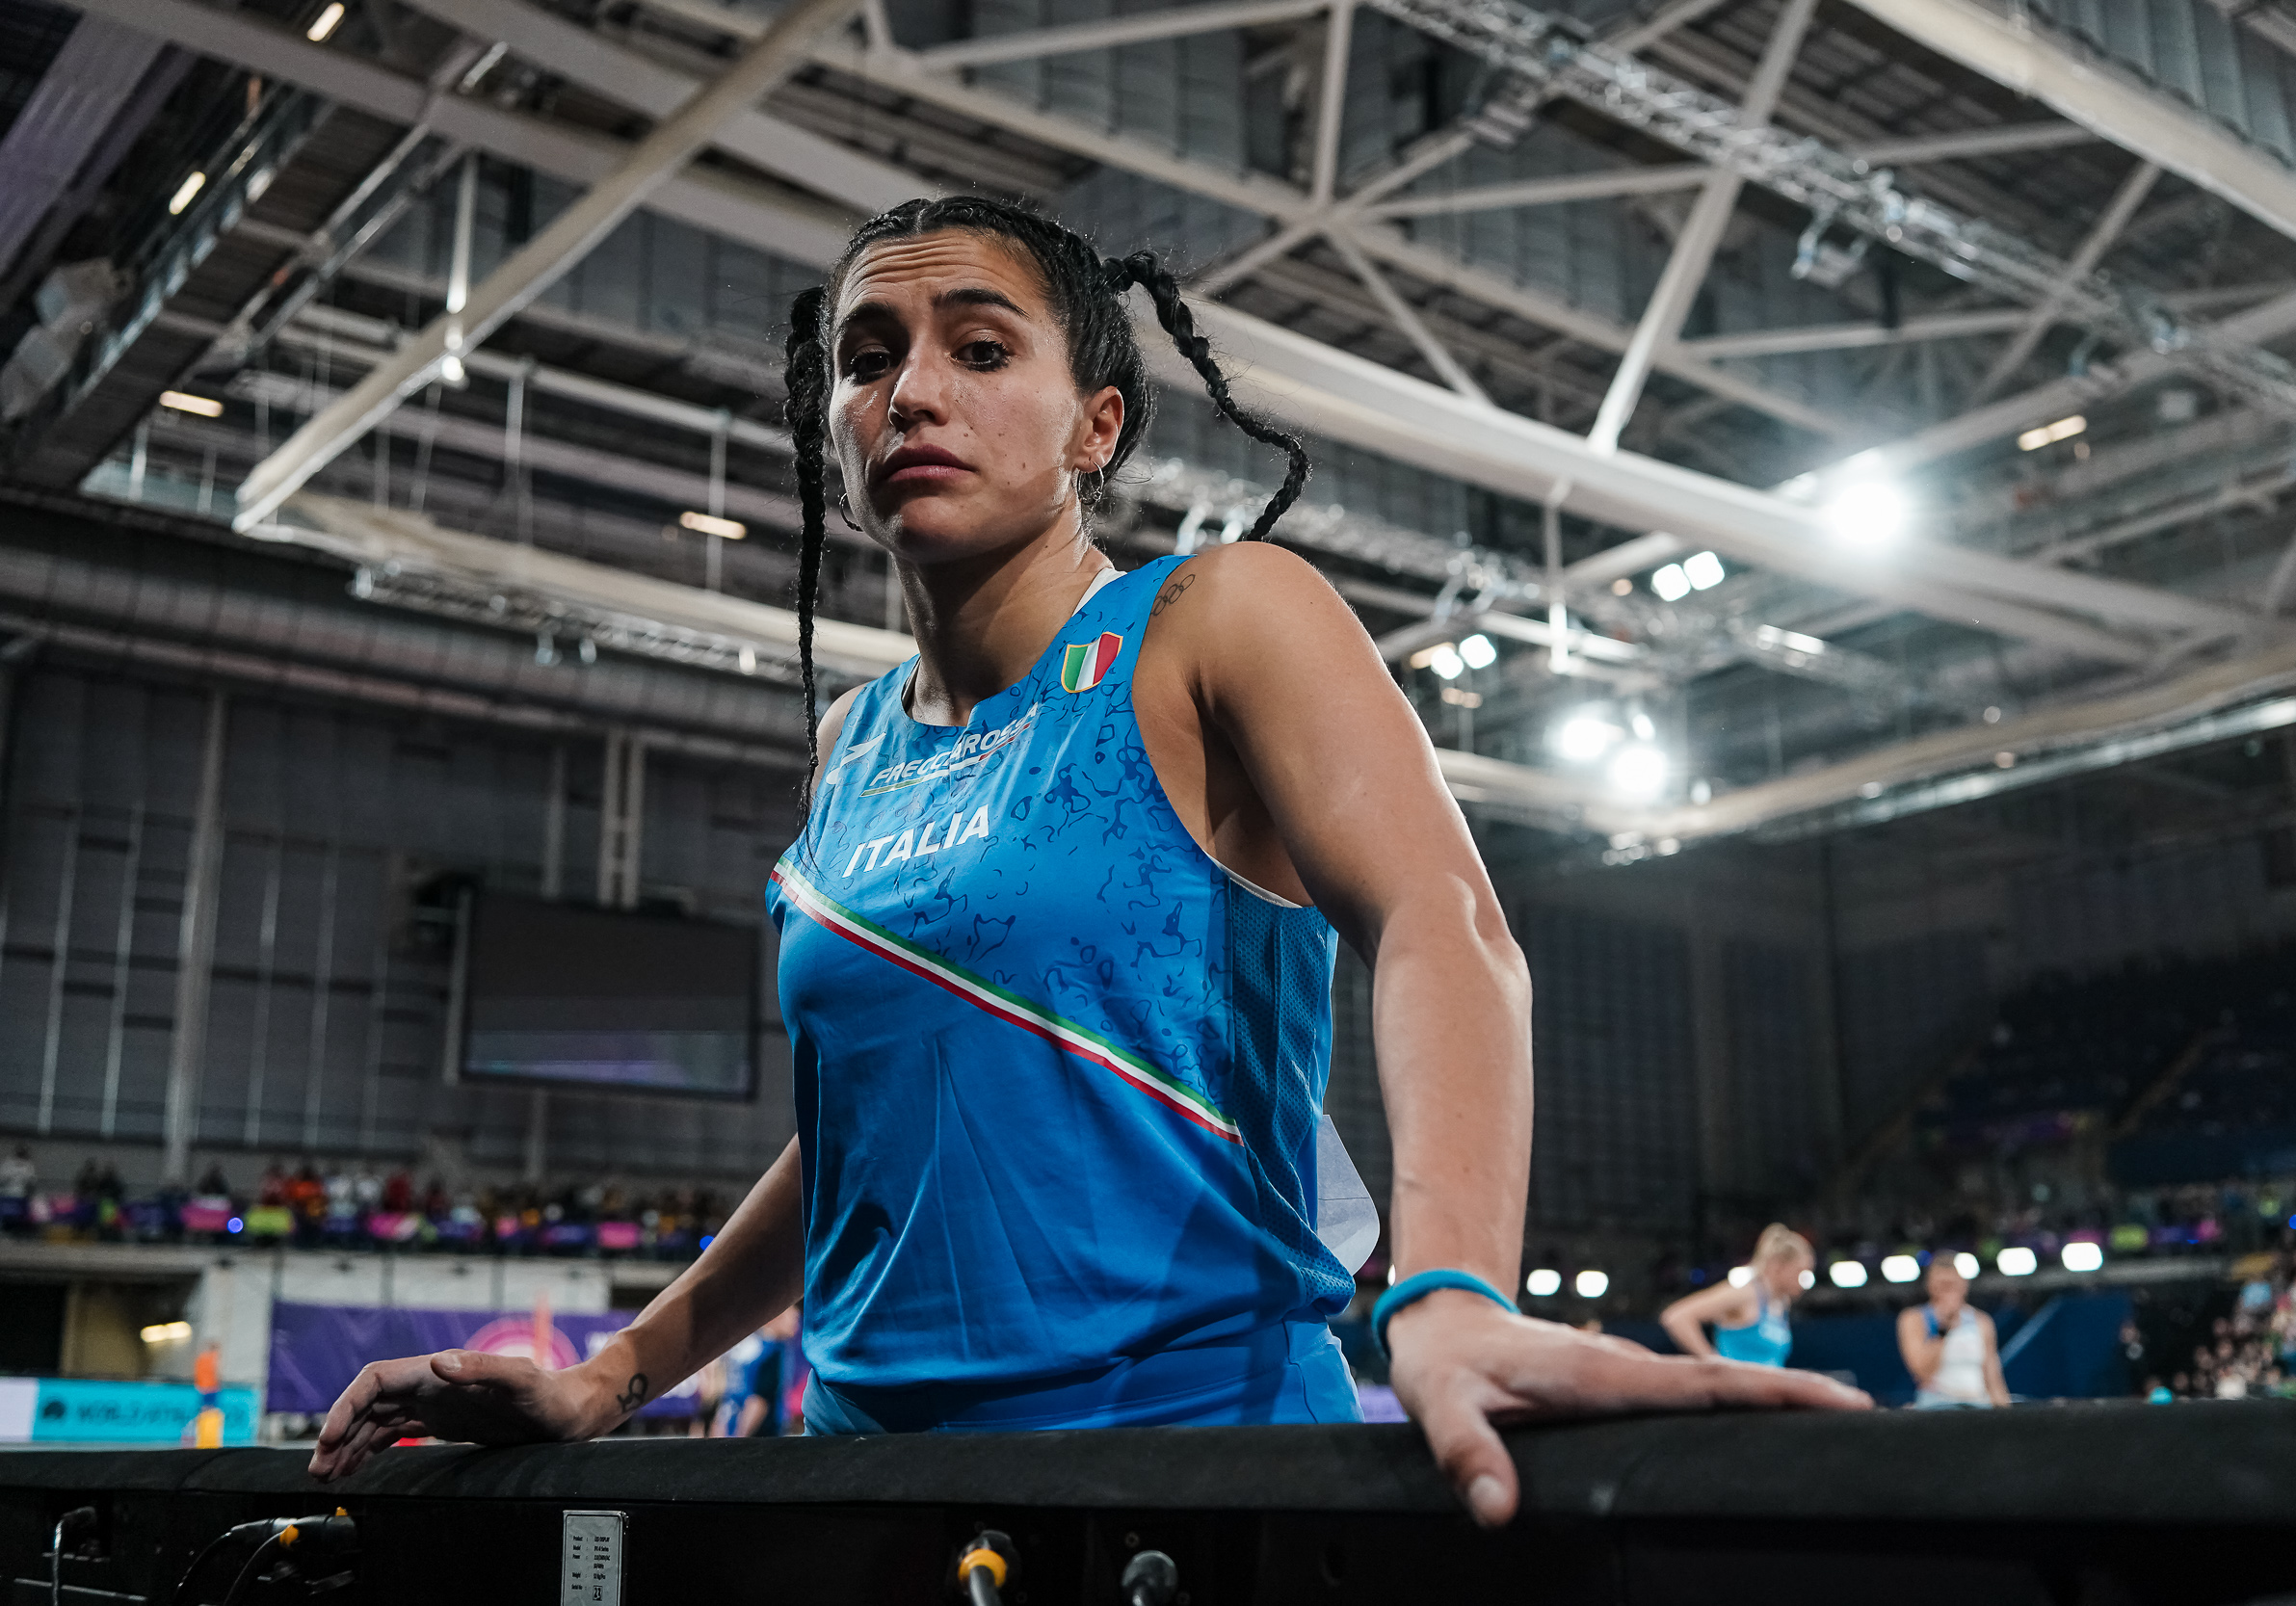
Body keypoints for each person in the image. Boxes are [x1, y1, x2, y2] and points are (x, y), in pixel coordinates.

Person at [304, 196, 1865, 1525]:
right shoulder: (852, 743)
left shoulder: (1214, 620)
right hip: (862, 1480)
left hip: (1184, 1463)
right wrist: (615, 1372)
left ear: (1095, 426)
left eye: (982, 350)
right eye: (869, 357)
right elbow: (859, 1135)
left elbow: (1440, 921)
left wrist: (1451, 1290)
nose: (914, 391)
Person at [1658, 1224, 1814, 1367]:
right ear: (1777, 1266)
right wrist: (1713, 1362)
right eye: (1799, 1272)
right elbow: (1676, 1317)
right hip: (1736, 1389)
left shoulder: (1781, 1303)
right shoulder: (1744, 1294)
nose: (1804, 1281)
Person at [1898, 1260, 2009, 1409]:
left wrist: (2004, 1410)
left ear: (1964, 1285)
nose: (1947, 1291)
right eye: (1942, 1285)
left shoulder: (1981, 1321)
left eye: (1952, 1285)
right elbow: (1921, 1370)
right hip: (1937, 1404)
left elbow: (1992, 1375)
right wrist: (1944, 1328)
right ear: (1930, 1286)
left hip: (1978, 1403)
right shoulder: (1915, 1318)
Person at [714, 1306, 803, 1439]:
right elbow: (758, 1400)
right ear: (776, 1318)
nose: (796, 1325)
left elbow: (727, 1397)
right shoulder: (773, 1351)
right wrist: (740, 1438)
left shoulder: (744, 1348)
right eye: (793, 1319)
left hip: (728, 1425)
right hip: (758, 1435)